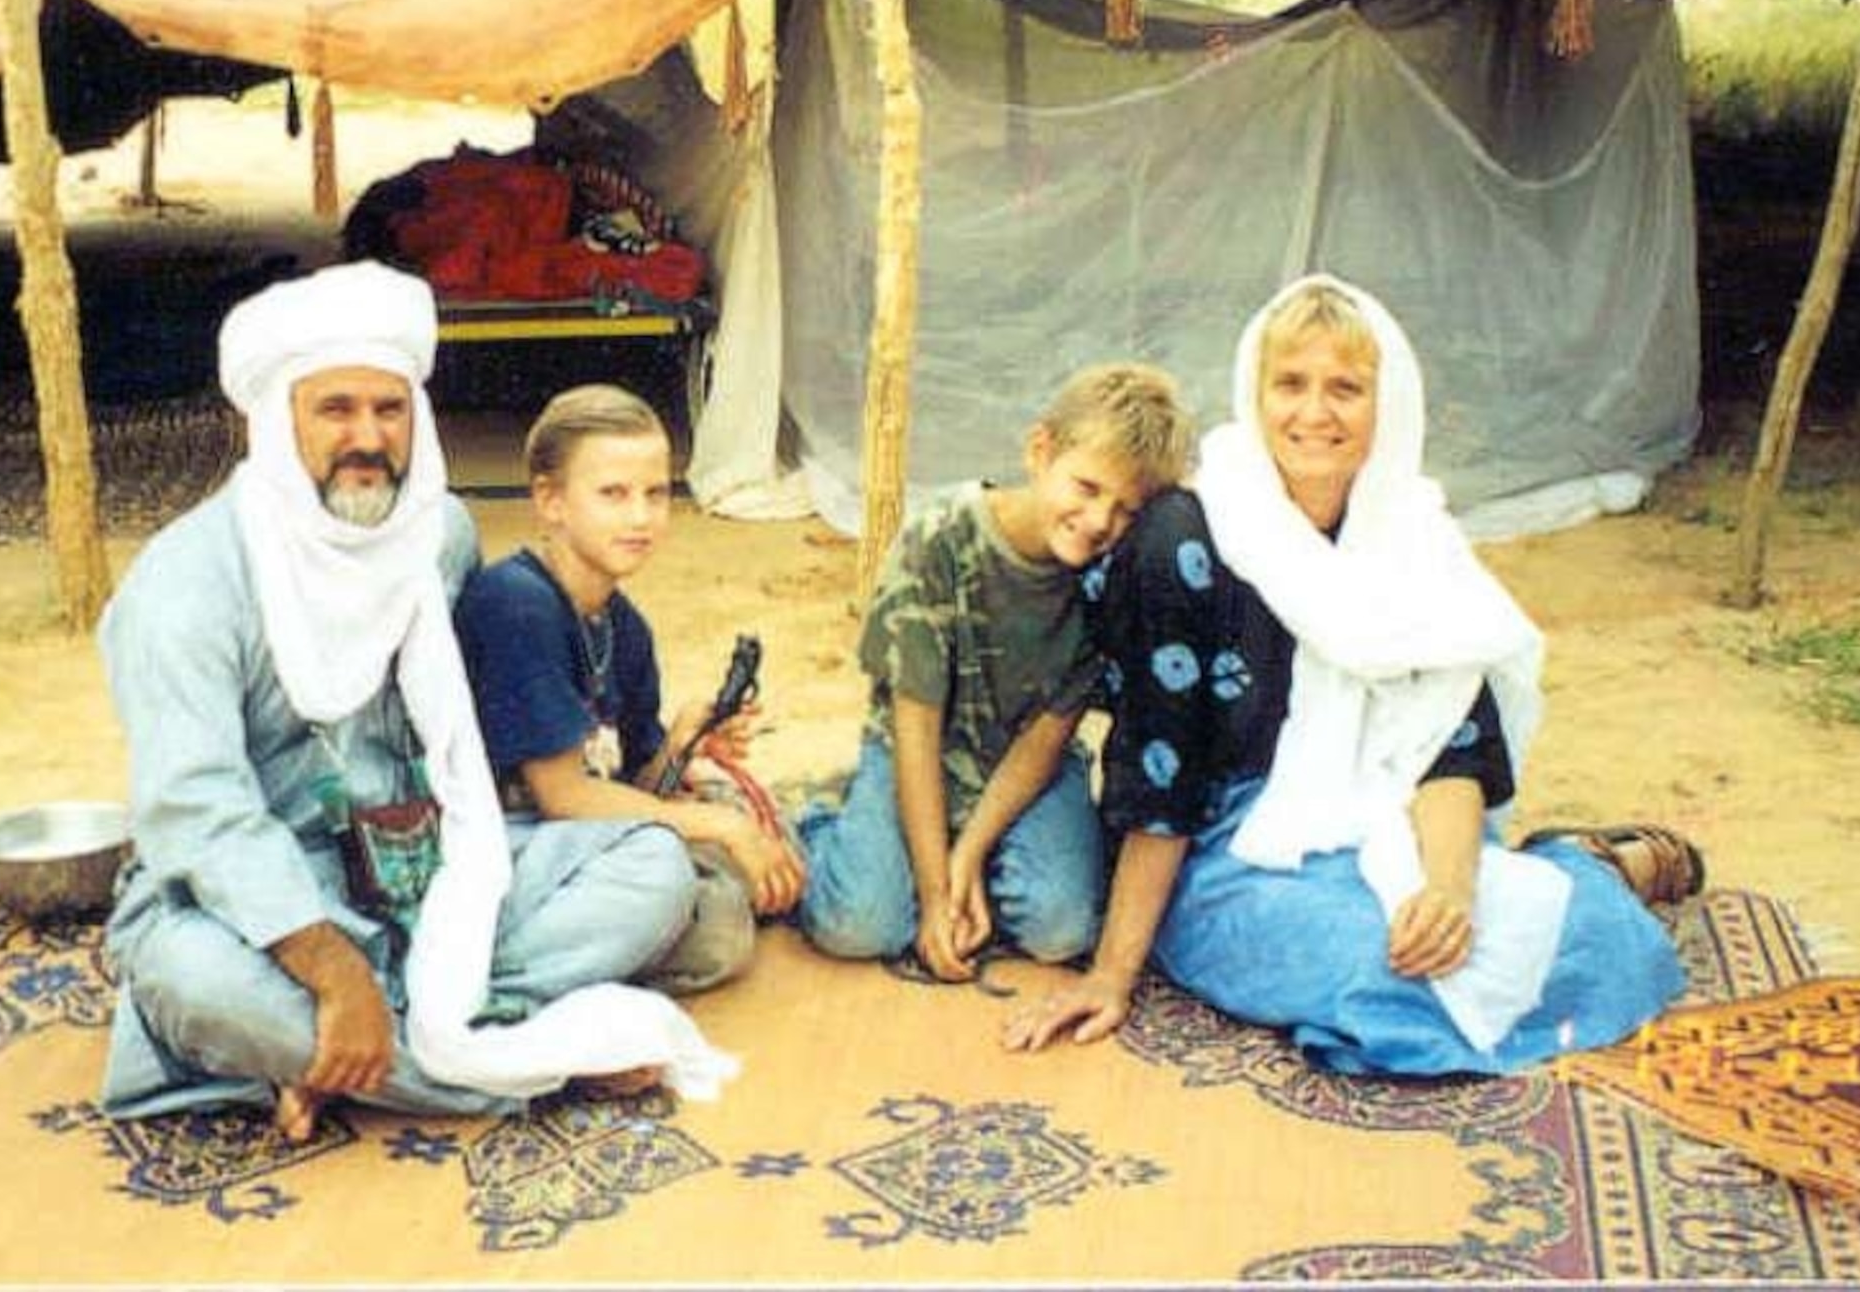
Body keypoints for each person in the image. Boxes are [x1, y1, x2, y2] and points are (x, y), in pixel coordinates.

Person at [95, 262, 733, 1140]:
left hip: (433, 862)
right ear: (276, 422)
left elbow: (467, 757)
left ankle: (330, 1062)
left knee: (652, 871)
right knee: (186, 976)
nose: (367, 437)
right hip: (264, 901)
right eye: (336, 409)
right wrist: (330, 970)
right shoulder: (186, 586)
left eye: (388, 409)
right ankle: (522, 1063)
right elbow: (195, 814)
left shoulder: (436, 536)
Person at [1003, 276, 1698, 1076]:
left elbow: (1452, 745)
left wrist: (1449, 891)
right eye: (1290, 384)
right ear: (1255, 394)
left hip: (1384, 817)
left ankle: (1587, 868)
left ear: (1386, 404)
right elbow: (1165, 773)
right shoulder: (1188, 538)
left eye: (1346, 388)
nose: (1315, 413)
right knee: (1379, 970)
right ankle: (1588, 868)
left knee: (1583, 940)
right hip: (1228, 849)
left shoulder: (1414, 539)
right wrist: (1111, 976)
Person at [797, 363, 1197, 980]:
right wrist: (935, 898)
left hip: (1024, 768)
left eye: (1124, 510)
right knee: (859, 925)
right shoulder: (939, 539)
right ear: (1040, 451)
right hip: (917, 750)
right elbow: (916, 726)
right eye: (1087, 488)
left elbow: (1046, 741)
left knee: (1062, 931)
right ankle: (823, 816)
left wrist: (965, 860)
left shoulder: (1106, 579)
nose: (1098, 522)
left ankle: (965, 854)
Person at [456, 385, 807, 995]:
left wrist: (680, 742)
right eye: (613, 495)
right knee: (706, 908)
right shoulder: (517, 605)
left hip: (586, 839)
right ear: (550, 501)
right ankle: (499, 995)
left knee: (748, 823)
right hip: (508, 847)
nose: (641, 517)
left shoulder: (624, 625)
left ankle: (637, 935)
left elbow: (630, 787)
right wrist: (724, 831)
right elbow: (562, 796)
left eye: (656, 493)